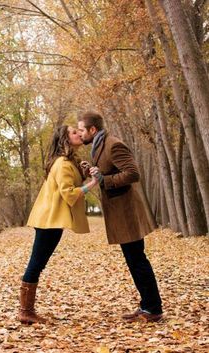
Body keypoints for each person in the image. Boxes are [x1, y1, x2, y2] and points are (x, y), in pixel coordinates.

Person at [78, 112, 163, 322]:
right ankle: (147, 305)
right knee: (134, 260)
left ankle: (153, 308)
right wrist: (92, 172)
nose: (79, 134)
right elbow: (106, 171)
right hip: (119, 213)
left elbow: (133, 174)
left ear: (92, 130)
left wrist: (105, 180)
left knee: (137, 260)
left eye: (81, 130)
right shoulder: (99, 146)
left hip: (127, 212)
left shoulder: (113, 144)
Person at [18, 125, 98, 324]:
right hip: (48, 220)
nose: (78, 134)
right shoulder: (62, 163)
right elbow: (69, 193)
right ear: (65, 140)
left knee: (38, 263)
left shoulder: (68, 162)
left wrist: (85, 173)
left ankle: (26, 310)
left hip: (52, 219)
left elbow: (71, 182)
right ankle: (25, 311)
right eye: (73, 132)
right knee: (36, 264)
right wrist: (92, 183)